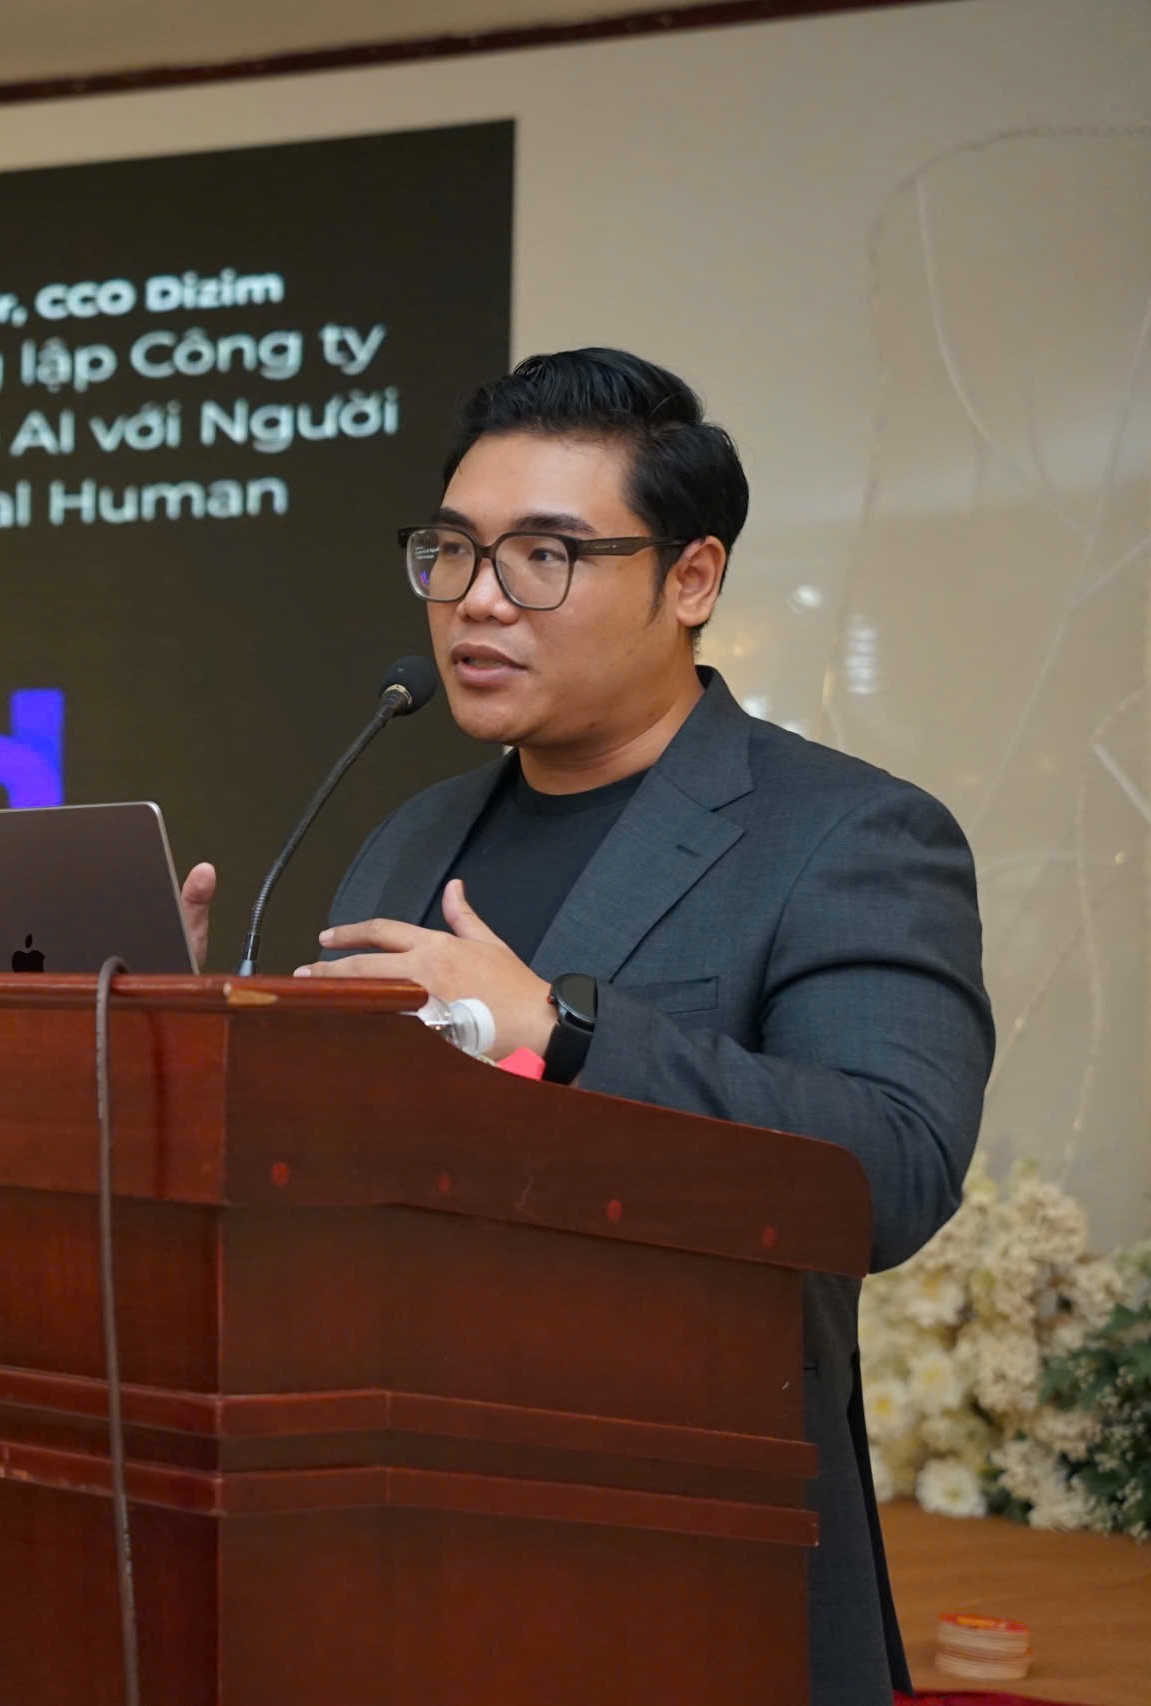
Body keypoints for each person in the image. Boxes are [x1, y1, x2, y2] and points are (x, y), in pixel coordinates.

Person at [180, 349, 992, 1706]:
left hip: (683, 1569)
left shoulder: (847, 834)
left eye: (545, 555)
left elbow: (893, 1165)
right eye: (452, 549)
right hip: (389, 1553)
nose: (478, 597)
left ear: (692, 579)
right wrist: (180, 1033)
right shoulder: (412, 833)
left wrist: (562, 1034)